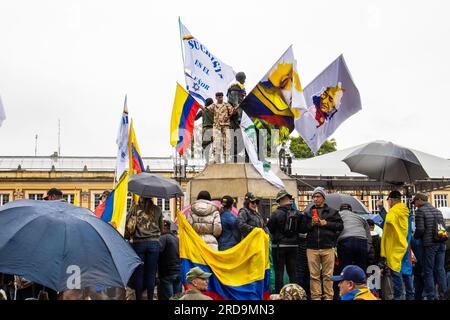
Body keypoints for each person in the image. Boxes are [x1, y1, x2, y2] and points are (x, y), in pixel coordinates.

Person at [299, 186, 343, 300]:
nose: (315, 199)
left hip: (328, 247)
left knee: (328, 275)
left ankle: (329, 297)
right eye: (313, 196)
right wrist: (311, 224)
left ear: (323, 197)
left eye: (318, 196)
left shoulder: (333, 212)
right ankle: (316, 297)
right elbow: (302, 229)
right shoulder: (308, 213)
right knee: (314, 276)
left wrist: (326, 223)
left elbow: (340, 226)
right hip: (312, 248)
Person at [126, 196, 163, 300]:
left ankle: (139, 298)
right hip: (154, 244)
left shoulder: (135, 208)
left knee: (139, 273)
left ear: (141, 197)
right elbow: (161, 228)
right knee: (151, 274)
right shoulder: (157, 209)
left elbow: (127, 224)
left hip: (139, 243)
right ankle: (150, 298)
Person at [380, 190, 414, 300]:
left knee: (396, 272)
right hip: (405, 245)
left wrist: (381, 208)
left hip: (395, 247)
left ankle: (398, 297)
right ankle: (410, 296)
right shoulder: (406, 211)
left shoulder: (394, 211)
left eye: (388, 201)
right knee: (407, 271)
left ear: (391, 200)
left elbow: (388, 221)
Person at [413, 193, 448, 300]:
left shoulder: (420, 211)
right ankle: (444, 295)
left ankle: (431, 296)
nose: (415, 205)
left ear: (419, 200)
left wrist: (414, 237)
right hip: (441, 243)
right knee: (440, 269)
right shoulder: (437, 211)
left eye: (415, 202)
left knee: (428, 270)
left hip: (430, 245)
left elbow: (420, 230)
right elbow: (442, 227)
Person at [267, 190, 302, 292]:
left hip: (279, 247)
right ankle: (295, 295)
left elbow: (270, 229)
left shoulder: (276, 214)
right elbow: (302, 228)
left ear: (281, 200)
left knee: (279, 273)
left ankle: (279, 295)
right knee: (293, 273)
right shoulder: (297, 214)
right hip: (294, 246)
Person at [337, 203, 372, 271]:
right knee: (361, 270)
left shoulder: (337, 216)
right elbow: (368, 236)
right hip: (362, 241)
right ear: (351, 210)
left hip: (345, 241)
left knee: (346, 269)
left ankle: (347, 280)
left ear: (340, 210)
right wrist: (367, 248)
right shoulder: (359, 217)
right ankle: (361, 281)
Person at [206, 92, 238, 163]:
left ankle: (226, 159)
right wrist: (199, 105)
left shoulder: (226, 105)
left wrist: (235, 109)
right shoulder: (213, 105)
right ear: (216, 97)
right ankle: (216, 158)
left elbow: (233, 111)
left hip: (225, 126)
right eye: (219, 96)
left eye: (221, 96)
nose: (220, 97)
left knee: (227, 142)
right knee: (216, 142)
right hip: (217, 126)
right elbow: (207, 109)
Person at [158, 218, 182, 300]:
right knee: (178, 298)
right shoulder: (176, 239)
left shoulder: (162, 238)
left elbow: (158, 252)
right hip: (178, 272)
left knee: (169, 298)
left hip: (167, 273)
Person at [227, 71, 246, 163]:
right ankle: (233, 155)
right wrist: (239, 118)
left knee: (240, 136)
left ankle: (236, 154)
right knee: (235, 135)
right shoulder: (235, 88)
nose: (245, 80)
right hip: (235, 117)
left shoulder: (240, 88)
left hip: (239, 115)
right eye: (244, 78)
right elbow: (235, 104)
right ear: (241, 78)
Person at [195, 97, 214, 163]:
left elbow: (195, 118)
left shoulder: (203, 110)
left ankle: (207, 161)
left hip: (206, 130)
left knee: (206, 147)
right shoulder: (215, 110)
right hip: (215, 130)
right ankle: (216, 161)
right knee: (216, 146)